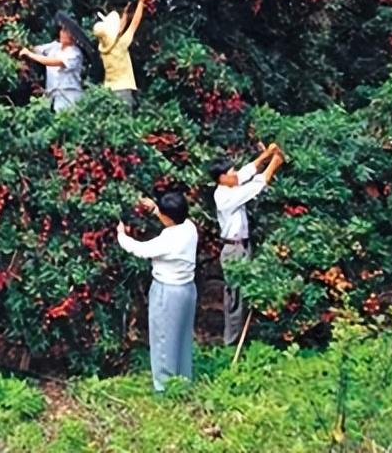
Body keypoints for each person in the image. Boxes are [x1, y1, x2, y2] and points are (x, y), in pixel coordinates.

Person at [117, 191, 199, 391]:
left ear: (167, 217)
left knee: (163, 338)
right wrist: (155, 208)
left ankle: (164, 388)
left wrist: (121, 235)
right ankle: (182, 381)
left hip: (167, 293)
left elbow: (140, 249)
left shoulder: (168, 240)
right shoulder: (189, 227)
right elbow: (171, 220)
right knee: (181, 336)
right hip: (187, 290)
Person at [208, 142, 285, 346]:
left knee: (246, 291)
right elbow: (257, 184)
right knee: (235, 294)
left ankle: (244, 336)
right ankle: (231, 342)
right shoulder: (225, 196)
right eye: (231, 173)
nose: (235, 175)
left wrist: (266, 154)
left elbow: (245, 173)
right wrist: (274, 163)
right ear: (222, 178)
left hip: (243, 245)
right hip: (233, 249)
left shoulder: (230, 184)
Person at [18, 13, 89, 111]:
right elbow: (36, 49)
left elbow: (53, 62)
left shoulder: (74, 53)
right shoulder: (55, 47)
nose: (62, 33)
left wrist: (31, 55)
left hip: (69, 94)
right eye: (62, 30)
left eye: (66, 32)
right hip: (53, 95)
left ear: (72, 36)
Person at [92, 0, 151, 109]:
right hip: (124, 89)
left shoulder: (104, 50)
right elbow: (134, 24)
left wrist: (124, 14)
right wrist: (141, 2)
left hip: (108, 89)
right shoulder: (121, 45)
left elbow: (117, 31)